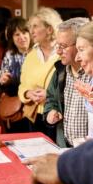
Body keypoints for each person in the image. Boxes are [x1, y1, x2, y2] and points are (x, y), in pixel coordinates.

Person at [44, 17, 90, 147]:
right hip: (64, 148)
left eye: (63, 46)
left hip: (90, 152)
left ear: (81, 45)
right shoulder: (60, 72)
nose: (58, 51)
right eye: (57, 45)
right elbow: (51, 99)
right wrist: (50, 112)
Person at [18, 7, 62, 141]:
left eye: (35, 26)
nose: (31, 31)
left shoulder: (63, 53)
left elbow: (71, 86)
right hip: (34, 115)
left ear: (49, 29)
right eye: (30, 27)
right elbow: (22, 86)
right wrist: (27, 93)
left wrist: (49, 95)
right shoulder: (30, 55)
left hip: (57, 115)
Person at [0, 17, 32, 133]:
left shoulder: (38, 52)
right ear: (11, 38)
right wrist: (3, 81)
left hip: (35, 105)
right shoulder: (9, 55)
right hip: (16, 107)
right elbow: (3, 80)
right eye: (17, 35)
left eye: (24, 32)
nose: (21, 37)